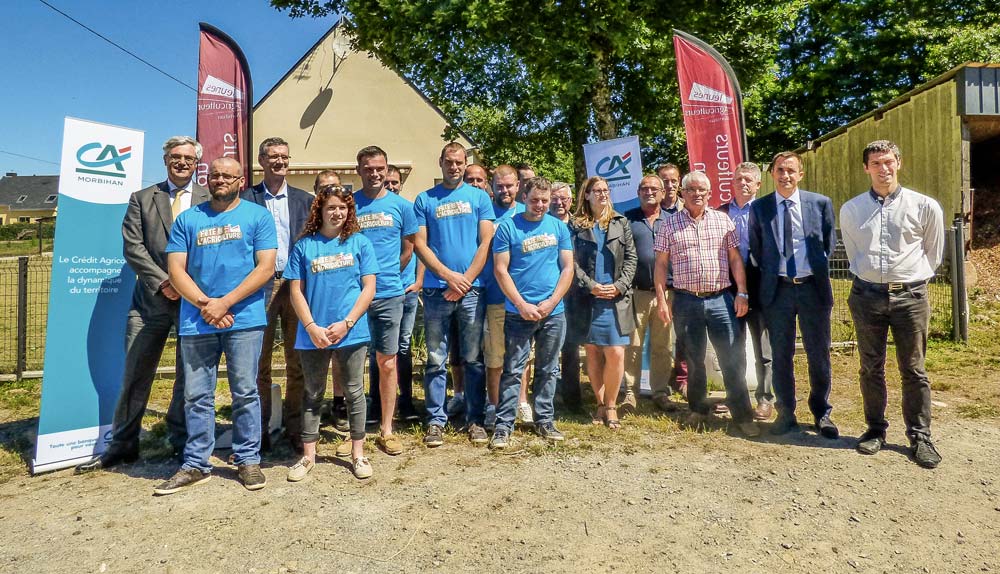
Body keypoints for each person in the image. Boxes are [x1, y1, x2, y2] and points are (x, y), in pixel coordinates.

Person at [75, 136, 209, 474]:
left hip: (194, 305)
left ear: (197, 164)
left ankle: (180, 442)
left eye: (189, 158)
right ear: (165, 160)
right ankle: (122, 445)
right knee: (135, 374)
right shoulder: (141, 198)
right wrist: (165, 282)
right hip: (149, 303)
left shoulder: (211, 199)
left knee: (188, 378)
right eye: (176, 157)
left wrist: (188, 289)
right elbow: (133, 247)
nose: (182, 163)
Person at [154, 157, 277, 495]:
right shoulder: (188, 219)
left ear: (241, 181)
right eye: (215, 174)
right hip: (197, 320)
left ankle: (248, 459)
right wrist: (207, 305)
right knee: (196, 395)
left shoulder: (258, 217)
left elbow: (265, 268)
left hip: (245, 319)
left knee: (246, 391)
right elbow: (176, 269)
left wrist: (226, 302)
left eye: (228, 175)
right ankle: (195, 463)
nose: (220, 179)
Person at [840, 140, 944, 468]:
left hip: (910, 297)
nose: (883, 169)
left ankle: (920, 436)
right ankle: (874, 430)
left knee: (913, 368)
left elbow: (933, 251)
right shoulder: (852, 209)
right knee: (871, 366)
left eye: (888, 162)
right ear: (865, 168)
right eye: (876, 163)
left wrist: (909, 278)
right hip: (867, 295)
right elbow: (854, 250)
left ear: (898, 162)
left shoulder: (925, 206)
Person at [653, 171, 760, 438]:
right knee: (693, 358)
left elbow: (735, 259)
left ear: (709, 193)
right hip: (686, 300)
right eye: (691, 190)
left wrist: (742, 292)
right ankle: (698, 409)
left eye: (702, 189)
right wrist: (662, 299)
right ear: (682, 194)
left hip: (721, 299)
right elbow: (661, 264)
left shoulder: (723, 221)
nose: (697, 194)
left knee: (732, 358)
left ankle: (743, 415)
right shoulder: (669, 225)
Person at [285, 186, 378, 481]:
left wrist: (347, 323)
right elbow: (295, 291)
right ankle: (308, 456)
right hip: (313, 333)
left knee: (353, 392)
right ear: (319, 211)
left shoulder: (361, 243)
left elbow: (369, 288)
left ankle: (358, 453)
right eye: (331, 208)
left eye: (342, 207)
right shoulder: (304, 247)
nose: (337, 213)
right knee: (313, 393)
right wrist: (311, 327)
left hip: (351, 330)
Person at [748, 152, 838, 439]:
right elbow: (757, 249)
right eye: (779, 170)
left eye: (790, 170)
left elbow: (828, 243)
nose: (785, 175)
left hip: (812, 289)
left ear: (800, 174)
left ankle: (822, 412)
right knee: (780, 355)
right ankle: (786, 412)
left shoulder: (820, 204)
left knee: (818, 354)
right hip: (778, 291)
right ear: (771, 174)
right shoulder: (760, 208)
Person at [413, 142, 495, 446]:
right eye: (449, 161)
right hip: (436, 291)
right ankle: (436, 419)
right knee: (435, 358)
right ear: (440, 162)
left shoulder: (479, 198)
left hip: (473, 291)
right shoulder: (424, 199)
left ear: (465, 163)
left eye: (459, 162)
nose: (454, 167)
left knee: (473, 359)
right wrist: (448, 277)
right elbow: (421, 244)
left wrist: (466, 280)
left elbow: (485, 242)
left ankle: (475, 419)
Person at [489, 177, 575, 448]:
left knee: (549, 369)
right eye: (535, 200)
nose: (540, 205)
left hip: (553, 312)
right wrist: (522, 305)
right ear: (524, 197)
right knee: (513, 370)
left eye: (545, 201)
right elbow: (501, 270)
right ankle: (504, 426)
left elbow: (567, 268)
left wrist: (551, 302)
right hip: (518, 312)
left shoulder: (558, 227)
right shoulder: (507, 228)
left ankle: (545, 420)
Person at [241, 137, 314, 454]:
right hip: (261, 286)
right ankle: (260, 431)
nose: (279, 162)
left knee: (298, 362)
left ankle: (295, 429)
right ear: (261, 161)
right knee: (259, 362)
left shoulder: (305, 200)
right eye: (272, 157)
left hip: (296, 284)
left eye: (284, 156)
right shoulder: (246, 199)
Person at [350, 146, 417, 456]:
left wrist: (383, 275)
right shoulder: (349, 205)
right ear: (359, 170)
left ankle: (387, 430)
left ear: (387, 169)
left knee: (387, 362)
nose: (374, 173)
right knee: (351, 364)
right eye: (368, 168)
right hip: (352, 295)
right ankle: (355, 431)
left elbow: (408, 249)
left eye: (379, 168)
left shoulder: (402, 207)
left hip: (390, 294)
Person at [569, 176, 637, 430]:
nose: (602, 194)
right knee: (594, 351)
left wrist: (618, 287)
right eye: (596, 191)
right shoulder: (575, 225)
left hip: (615, 298)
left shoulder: (621, 223)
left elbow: (631, 259)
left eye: (605, 190)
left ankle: (611, 405)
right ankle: (599, 404)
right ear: (586, 195)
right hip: (588, 298)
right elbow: (570, 263)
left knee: (616, 351)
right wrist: (591, 286)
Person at [717, 162, 774, 421]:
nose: (743, 183)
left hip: (761, 286)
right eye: (739, 179)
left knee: (764, 348)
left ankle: (765, 398)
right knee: (732, 347)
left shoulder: (767, 211)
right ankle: (736, 398)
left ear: (758, 184)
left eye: (749, 179)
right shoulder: (720, 213)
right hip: (728, 287)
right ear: (732, 182)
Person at [623, 174, 675, 414]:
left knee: (662, 346)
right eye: (644, 188)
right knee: (633, 345)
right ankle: (630, 394)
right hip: (637, 292)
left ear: (663, 193)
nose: (649, 192)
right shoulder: (627, 219)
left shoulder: (674, 219)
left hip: (667, 293)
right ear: (638, 192)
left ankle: (660, 392)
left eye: (655, 188)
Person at [482, 165, 528, 429]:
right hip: (494, 296)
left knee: (522, 357)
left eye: (510, 185)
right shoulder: (485, 214)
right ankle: (494, 405)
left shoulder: (527, 212)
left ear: (518, 185)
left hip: (523, 299)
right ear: (492, 186)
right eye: (500, 186)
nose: (505, 190)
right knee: (495, 356)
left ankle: (521, 403)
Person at [382, 164, 422, 422]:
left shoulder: (407, 209)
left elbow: (419, 249)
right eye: (388, 182)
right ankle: (380, 402)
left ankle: (406, 401)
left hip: (406, 290)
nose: (391, 186)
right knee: (381, 350)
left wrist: (418, 281)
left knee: (403, 347)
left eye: (395, 182)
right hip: (380, 291)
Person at [549, 181, 583, 411]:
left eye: (564, 199)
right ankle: (547, 396)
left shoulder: (580, 226)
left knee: (570, 348)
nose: (559, 203)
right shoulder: (542, 223)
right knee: (547, 349)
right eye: (555, 198)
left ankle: (572, 399)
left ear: (571, 201)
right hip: (547, 293)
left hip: (575, 294)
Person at [656, 163, 688, 394]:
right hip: (660, 283)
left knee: (684, 333)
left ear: (679, 182)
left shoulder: (687, 209)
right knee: (661, 337)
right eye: (664, 181)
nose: (669, 185)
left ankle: (683, 378)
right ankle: (660, 379)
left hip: (685, 283)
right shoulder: (652, 211)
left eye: (673, 181)